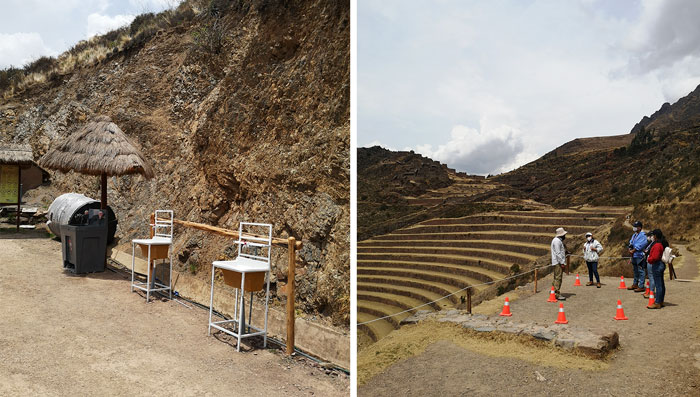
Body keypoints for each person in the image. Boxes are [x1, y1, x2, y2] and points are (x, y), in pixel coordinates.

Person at [646, 229, 666, 309]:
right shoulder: (660, 244)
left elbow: (655, 257)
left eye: (653, 235)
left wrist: (649, 259)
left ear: (655, 236)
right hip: (659, 264)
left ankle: (657, 302)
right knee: (661, 284)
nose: (652, 237)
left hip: (657, 265)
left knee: (658, 285)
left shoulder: (657, 245)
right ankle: (660, 300)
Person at [628, 221, 648, 292]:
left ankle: (641, 285)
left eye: (636, 226)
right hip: (634, 255)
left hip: (639, 255)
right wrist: (630, 248)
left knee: (641, 270)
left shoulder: (643, 235)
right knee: (635, 270)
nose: (634, 228)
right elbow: (631, 242)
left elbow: (640, 245)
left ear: (639, 227)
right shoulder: (634, 235)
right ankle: (635, 284)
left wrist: (633, 250)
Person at [551, 227, 568, 300]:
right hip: (558, 262)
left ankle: (553, 291)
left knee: (556, 277)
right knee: (558, 278)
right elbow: (558, 253)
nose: (565, 236)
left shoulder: (556, 240)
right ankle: (556, 293)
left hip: (556, 261)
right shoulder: (557, 241)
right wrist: (562, 263)